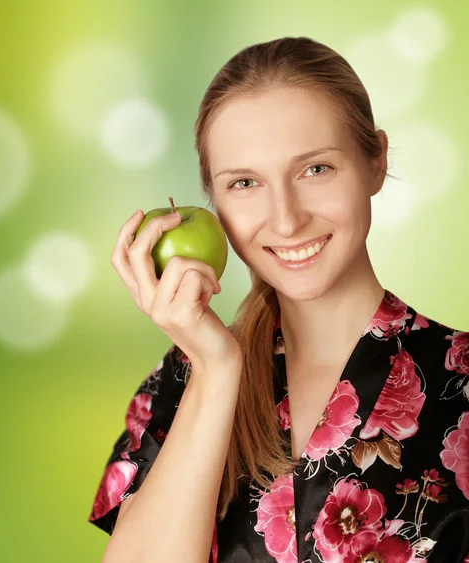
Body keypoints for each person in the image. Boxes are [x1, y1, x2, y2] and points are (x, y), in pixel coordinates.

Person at [87, 36, 469, 563]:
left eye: (315, 169)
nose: (286, 219)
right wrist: (217, 371)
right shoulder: (178, 386)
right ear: (213, 201)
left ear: (375, 161)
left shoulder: (463, 383)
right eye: (245, 182)